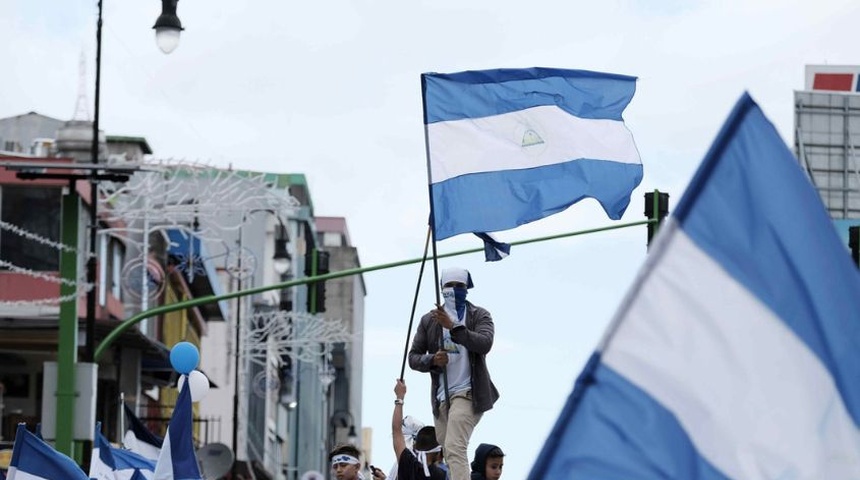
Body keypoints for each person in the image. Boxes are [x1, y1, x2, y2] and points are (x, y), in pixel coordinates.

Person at [408, 267, 499, 480]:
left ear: (467, 289)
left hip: (470, 393)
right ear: (441, 289)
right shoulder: (428, 321)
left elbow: (485, 344)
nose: (455, 290)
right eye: (450, 286)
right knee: (448, 449)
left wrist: (454, 327)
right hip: (441, 398)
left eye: (460, 286)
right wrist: (432, 359)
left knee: (455, 446)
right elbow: (413, 357)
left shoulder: (479, 315)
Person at [390, 379, 447, 480]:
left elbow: (396, 430)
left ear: (416, 445)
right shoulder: (441, 475)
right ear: (438, 453)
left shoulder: (407, 463)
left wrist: (400, 397)